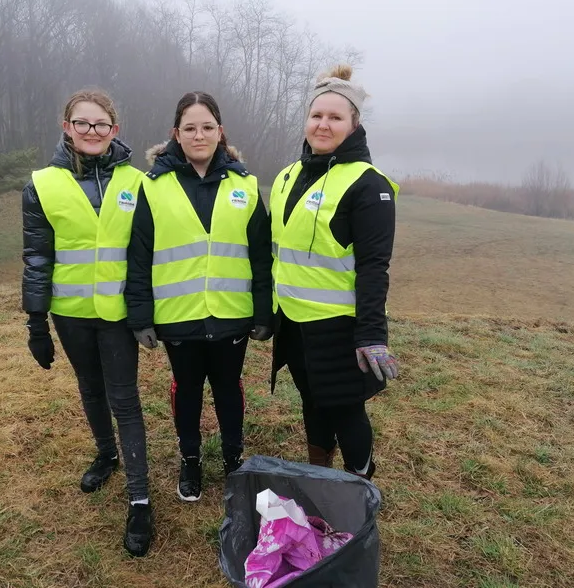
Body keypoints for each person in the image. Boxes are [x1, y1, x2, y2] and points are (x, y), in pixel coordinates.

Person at [22, 89, 153, 556]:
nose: (92, 131)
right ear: (67, 127)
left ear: (114, 130)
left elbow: (147, 252)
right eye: (83, 123)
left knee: (126, 400)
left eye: (101, 124)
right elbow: (37, 255)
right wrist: (36, 321)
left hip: (118, 315)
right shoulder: (41, 184)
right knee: (90, 388)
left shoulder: (138, 182)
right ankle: (106, 453)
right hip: (70, 313)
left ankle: (139, 498)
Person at [125, 91, 273, 502]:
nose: (199, 135)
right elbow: (138, 257)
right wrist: (141, 317)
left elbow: (261, 254)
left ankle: (233, 460)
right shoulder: (153, 187)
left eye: (207, 127)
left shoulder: (244, 184)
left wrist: (264, 311)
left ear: (220, 132)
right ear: (176, 133)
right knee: (186, 390)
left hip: (231, 315)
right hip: (179, 317)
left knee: (229, 389)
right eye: (189, 128)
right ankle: (190, 461)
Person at [270, 65, 400, 480]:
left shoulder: (367, 185)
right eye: (316, 116)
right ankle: (320, 474)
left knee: (344, 407)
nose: (323, 125)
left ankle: (358, 484)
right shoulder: (288, 175)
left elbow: (375, 267)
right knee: (312, 399)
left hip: (338, 326)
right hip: (293, 321)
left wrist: (371, 334)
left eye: (335, 117)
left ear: (354, 124)